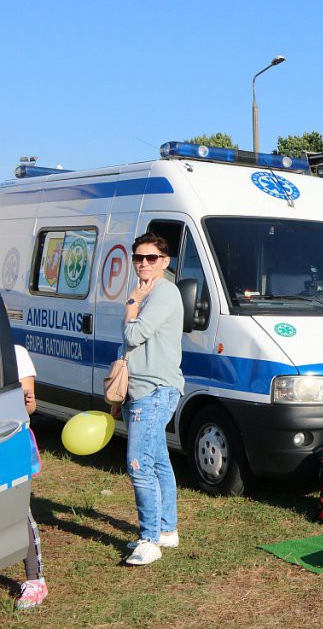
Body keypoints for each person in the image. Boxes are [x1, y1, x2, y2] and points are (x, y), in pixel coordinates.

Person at [112, 233, 185, 565]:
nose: (143, 263)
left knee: (138, 464)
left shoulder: (164, 293)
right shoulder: (149, 292)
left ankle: (149, 539)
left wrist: (131, 304)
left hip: (155, 391)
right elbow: (129, 348)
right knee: (157, 462)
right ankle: (167, 531)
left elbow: (133, 334)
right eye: (138, 257)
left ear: (165, 261)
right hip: (140, 389)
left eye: (151, 258)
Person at [14, 345, 46, 610]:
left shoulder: (16, 354)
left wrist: (26, 400)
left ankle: (35, 580)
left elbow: (31, 406)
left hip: (10, 439)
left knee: (16, 510)